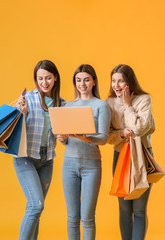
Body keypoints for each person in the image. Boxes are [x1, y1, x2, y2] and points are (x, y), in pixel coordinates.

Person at [56, 64, 111, 240]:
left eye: (86, 80)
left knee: (87, 217)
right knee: (72, 217)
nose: (82, 84)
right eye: (78, 80)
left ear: (94, 81)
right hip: (69, 165)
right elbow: (67, 138)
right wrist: (62, 139)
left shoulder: (101, 106)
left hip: (91, 165)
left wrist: (88, 138)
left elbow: (103, 138)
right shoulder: (67, 106)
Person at [15, 60, 64, 240]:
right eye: (40, 78)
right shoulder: (27, 99)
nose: (44, 82)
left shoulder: (61, 104)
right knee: (36, 205)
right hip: (25, 158)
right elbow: (13, 129)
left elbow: (64, 136)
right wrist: (23, 112)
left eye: (48, 78)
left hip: (47, 159)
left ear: (55, 78)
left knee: (36, 209)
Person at [106, 64, 156, 240]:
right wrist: (120, 133)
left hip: (142, 156)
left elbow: (138, 129)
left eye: (121, 81)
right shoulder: (110, 103)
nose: (116, 85)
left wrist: (127, 105)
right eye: (113, 81)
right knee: (125, 208)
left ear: (130, 83)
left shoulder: (144, 100)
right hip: (121, 157)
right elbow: (107, 137)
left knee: (140, 210)